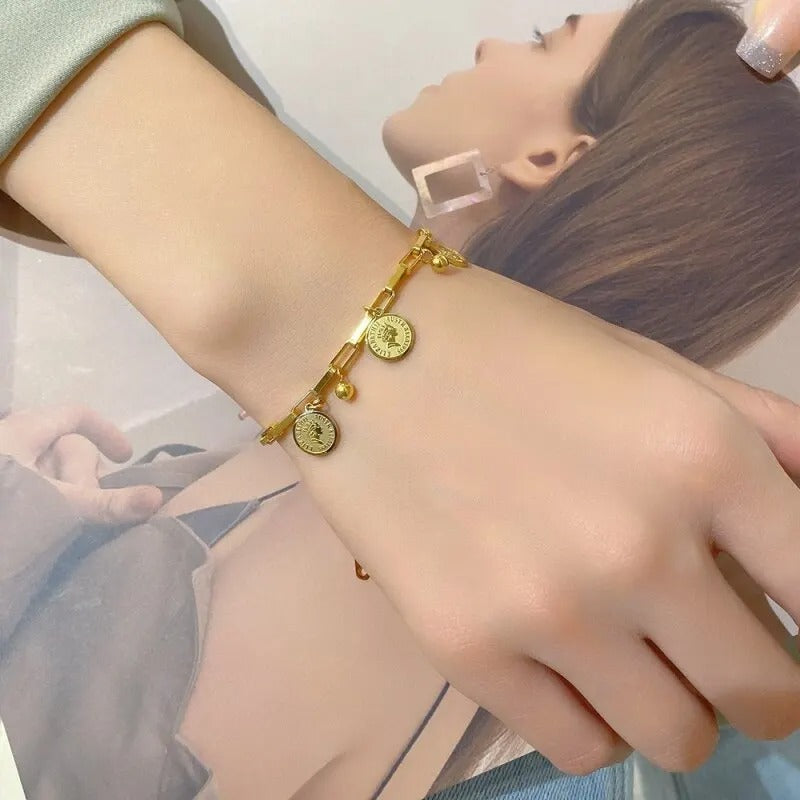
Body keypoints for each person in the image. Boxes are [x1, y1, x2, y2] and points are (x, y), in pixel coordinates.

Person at [3, 1, 800, 799]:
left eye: (538, 42)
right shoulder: (349, 431)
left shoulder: (395, 506)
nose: (488, 43)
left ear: (551, 154)